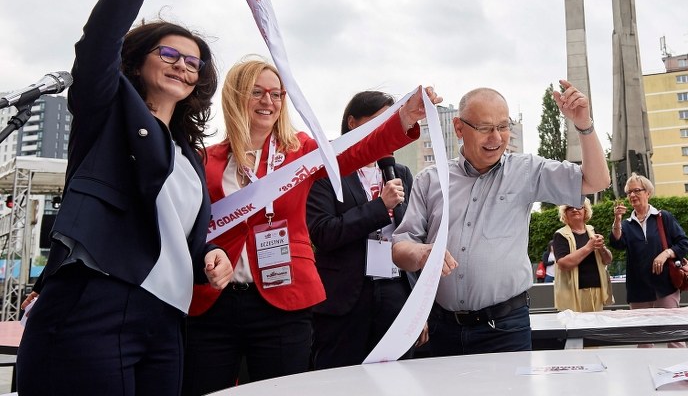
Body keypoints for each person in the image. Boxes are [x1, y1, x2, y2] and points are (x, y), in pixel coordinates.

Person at [16, 0, 233, 395]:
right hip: (96, 301)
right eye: (169, 55)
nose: (183, 66)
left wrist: (211, 257)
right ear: (136, 61)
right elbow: (98, 43)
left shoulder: (190, 159)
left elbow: (176, 240)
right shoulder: (107, 111)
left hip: (167, 319)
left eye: (193, 63)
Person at [182, 61, 438, 394]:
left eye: (276, 94)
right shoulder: (204, 159)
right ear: (234, 96)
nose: (268, 101)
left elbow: (355, 151)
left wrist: (404, 119)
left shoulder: (300, 151)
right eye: (256, 92)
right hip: (215, 302)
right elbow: (191, 226)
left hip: (283, 301)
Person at [392, 80, 610, 356]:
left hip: (505, 329)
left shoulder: (527, 172)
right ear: (459, 128)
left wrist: (584, 124)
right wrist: (422, 253)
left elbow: (597, 180)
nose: (496, 138)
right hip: (441, 328)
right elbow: (400, 248)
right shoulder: (430, 180)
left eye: (503, 127)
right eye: (484, 128)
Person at [307, 90, 427, 369]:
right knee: (342, 379)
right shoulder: (327, 170)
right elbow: (323, 233)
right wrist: (378, 206)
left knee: (397, 376)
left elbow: (410, 233)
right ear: (352, 122)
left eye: (390, 122)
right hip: (347, 295)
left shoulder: (399, 172)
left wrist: (419, 309)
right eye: (377, 121)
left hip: (396, 289)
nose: (385, 129)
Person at [609, 173, 688, 348]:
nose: (632, 195)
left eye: (637, 190)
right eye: (629, 192)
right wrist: (617, 220)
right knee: (644, 341)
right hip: (639, 289)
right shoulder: (626, 224)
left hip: (665, 286)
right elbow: (617, 243)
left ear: (648, 193)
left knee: (675, 337)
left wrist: (666, 253)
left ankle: (680, 375)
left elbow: (683, 243)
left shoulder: (663, 217)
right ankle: (645, 374)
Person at [552, 200, 613, 312]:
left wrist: (602, 248)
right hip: (573, 294)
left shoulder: (592, 230)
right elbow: (563, 264)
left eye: (579, 206)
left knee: (596, 328)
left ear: (585, 210)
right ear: (565, 213)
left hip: (597, 291)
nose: (575, 209)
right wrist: (589, 247)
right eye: (570, 207)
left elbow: (608, 260)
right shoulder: (560, 235)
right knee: (577, 328)